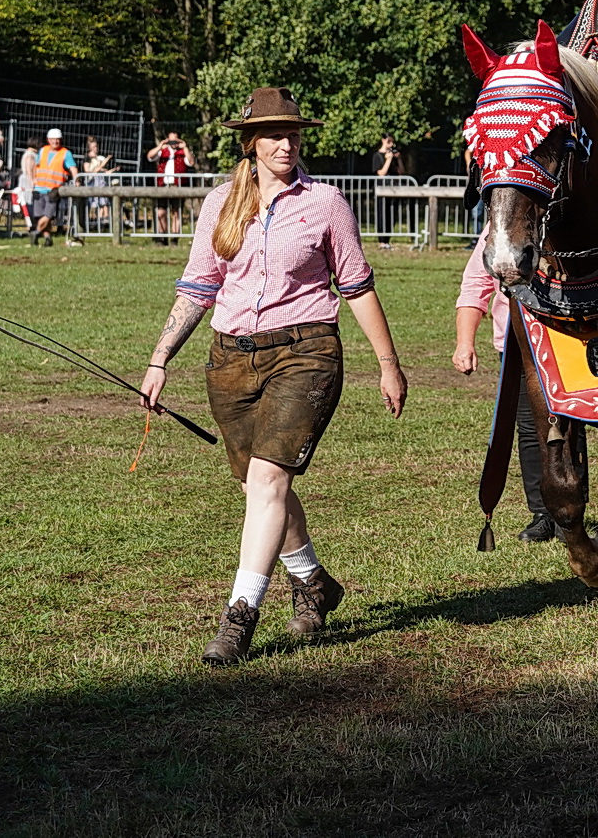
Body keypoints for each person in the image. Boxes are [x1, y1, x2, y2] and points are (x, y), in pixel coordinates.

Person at [139, 87, 408, 665]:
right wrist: (160, 358)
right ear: (251, 143)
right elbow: (198, 287)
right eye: (274, 135)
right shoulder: (220, 203)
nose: (287, 144)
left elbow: (357, 287)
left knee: (267, 481)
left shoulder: (326, 203)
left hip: (306, 353)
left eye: (293, 134)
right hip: (230, 361)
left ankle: (239, 617)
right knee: (260, 487)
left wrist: (388, 365)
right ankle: (314, 582)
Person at [453, 224, 554, 542]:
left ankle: (569, 512)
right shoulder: (498, 224)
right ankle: (543, 513)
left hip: (565, 341)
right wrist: (464, 341)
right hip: (516, 342)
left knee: (568, 426)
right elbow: (476, 283)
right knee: (530, 427)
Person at [30, 129, 78, 246]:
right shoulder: (43, 150)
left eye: (57, 139)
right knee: (39, 216)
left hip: (53, 189)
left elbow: (73, 168)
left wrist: (77, 180)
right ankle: (47, 238)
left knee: (48, 215)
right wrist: (33, 179)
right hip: (39, 188)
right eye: (53, 139)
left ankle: (36, 232)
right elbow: (35, 166)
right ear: (48, 140)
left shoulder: (65, 153)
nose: (55, 141)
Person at [148, 130, 197, 238]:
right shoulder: (163, 151)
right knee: (161, 212)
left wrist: (185, 147)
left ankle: (175, 237)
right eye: (171, 141)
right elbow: (150, 156)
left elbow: (191, 162)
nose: (173, 143)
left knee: (177, 212)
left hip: (178, 185)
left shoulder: (183, 152)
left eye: (175, 141)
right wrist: (160, 145)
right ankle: (162, 236)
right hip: (163, 185)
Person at [372, 134, 405, 248]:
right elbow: (381, 173)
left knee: (392, 214)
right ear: (383, 140)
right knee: (382, 213)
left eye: (392, 142)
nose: (391, 144)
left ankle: (387, 240)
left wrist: (398, 159)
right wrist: (388, 160)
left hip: (393, 189)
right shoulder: (377, 156)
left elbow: (402, 172)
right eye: (389, 141)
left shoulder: (394, 156)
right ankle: (382, 240)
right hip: (382, 189)